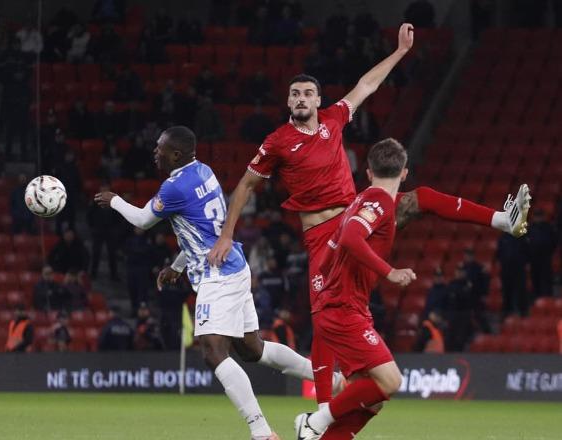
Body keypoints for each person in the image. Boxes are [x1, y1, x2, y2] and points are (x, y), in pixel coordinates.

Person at [208, 24, 531, 434]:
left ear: (318, 100)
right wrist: (226, 235)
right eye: (294, 94)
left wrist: (399, 52)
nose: (301, 99)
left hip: (356, 214)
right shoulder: (277, 142)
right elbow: (244, 187)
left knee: (421, 198)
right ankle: (323, 413)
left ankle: (504, 220)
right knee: (326, 318)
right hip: (325, 236)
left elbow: (367, 84)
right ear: (288, 102)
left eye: (307, 93)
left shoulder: (333, 120)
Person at [94, 126, 342, 440]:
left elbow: (143, 220)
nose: (155, 152)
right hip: (234, 266)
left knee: (213, 350)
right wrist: (177, 265)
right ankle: (331, 381)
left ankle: (261, 432)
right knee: (253, 350)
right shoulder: (204, 171)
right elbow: (202, 229)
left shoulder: (173, 187)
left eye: (160, 148)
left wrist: (115, 200)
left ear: (177, 155)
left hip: (217, 274)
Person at [295, 139, 417, 440]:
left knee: (372, 399)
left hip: (343, 305)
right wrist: (389, 272)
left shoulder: (360, 201)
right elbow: (350, 237)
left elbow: (335, 245)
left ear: (368, 171)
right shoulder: (381, 202)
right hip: (344, 308)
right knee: (390, 382)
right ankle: (314, 421)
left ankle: (321, 434)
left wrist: (324, 283)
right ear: (404, 174)